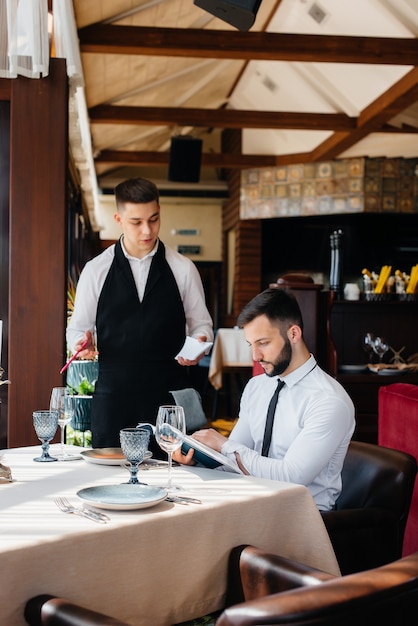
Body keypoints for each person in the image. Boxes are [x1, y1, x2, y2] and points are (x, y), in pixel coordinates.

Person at [174, 287, 355, 511]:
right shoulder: (257, 386)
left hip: (304, 516)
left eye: (263, 343)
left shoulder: (328, 400)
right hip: (253, 503)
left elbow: (291, 477)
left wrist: (223, 445)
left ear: (294, 334)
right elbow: (236, 461)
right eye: (252, 345)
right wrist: (197, 460)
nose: (255, 356)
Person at [66, 177, 213, 449]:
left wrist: (200, 342)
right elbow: (77, 329)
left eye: (154, 219)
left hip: (170, 400)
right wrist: (80, 342)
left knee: (174, 482)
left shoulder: (183, 268)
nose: (147, 230)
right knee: (111, 481)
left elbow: (202, 325)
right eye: (136, 222)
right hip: (114, 398)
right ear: (118, 219)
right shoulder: (96, 270)